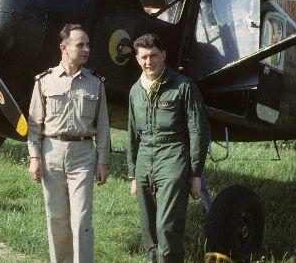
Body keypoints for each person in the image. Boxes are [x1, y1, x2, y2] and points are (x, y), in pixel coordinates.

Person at [27, 23, 110, 263]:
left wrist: (102, 161)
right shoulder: (44, 81)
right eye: (80, 45)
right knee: (56, 217)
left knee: (82, 219)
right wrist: (34, 157)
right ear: (63, 47)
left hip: (82, 154)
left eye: (88, 45)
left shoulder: (95, 82)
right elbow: (34, 124)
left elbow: (103, 126)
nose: (86, 49)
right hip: (51, 152)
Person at [127, 33, 210, 263]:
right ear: (137, 59)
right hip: (144, 161)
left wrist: (195, 174)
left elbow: (199, 130)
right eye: (144, 57)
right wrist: (133, 175)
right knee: (149, 230)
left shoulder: (183, 86)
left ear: (163, 55)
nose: (149, 62)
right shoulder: (135, 91)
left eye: (154, 55)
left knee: (167, 227)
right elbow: (132, 134)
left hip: (173, 156)